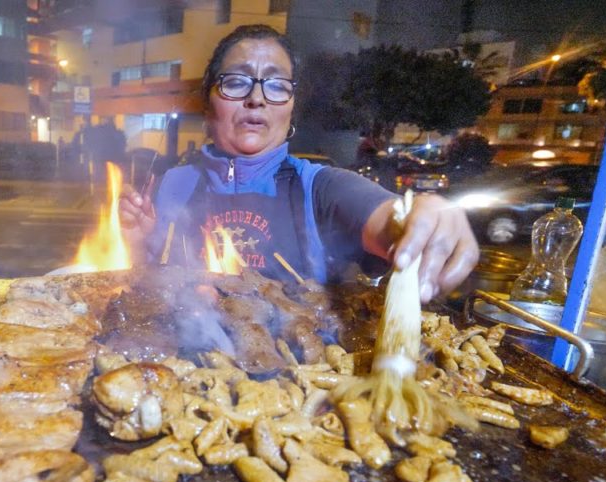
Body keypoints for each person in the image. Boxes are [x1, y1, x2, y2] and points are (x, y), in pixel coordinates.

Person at [119, 25, 477, 302]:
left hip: (293, 386)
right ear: (209, 103)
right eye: (236, 82)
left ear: (290, 108)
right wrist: (135, 244)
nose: (256, 98)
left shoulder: (320, 187)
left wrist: (423, 220)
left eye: (276, 85)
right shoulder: (173, 184)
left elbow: (386, 220)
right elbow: (146, 289)